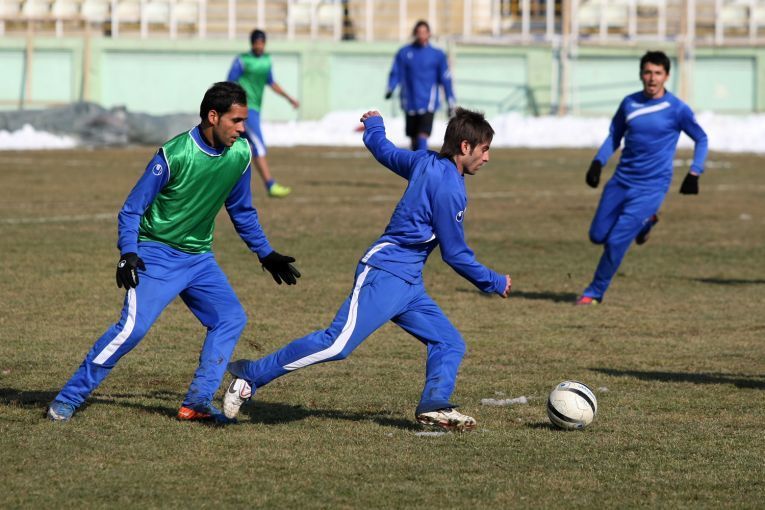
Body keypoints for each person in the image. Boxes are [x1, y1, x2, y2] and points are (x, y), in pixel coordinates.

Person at [222, 107, 511, 432]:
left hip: (409, 283)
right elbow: (455, 254)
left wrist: (374, 126)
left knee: (449, 343)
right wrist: (494, 281)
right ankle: (251, 376)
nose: (487, 157)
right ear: (465, 146)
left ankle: (435, 404)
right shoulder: (450, 189)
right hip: (385, 273)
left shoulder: (424, 161)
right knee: (336, 344)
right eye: (484, 149)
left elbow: (384, 151)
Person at [47, 82, 301, 423]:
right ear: (213, 117)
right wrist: (128, 252)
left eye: (244, 120)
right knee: (132, 330)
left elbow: (241, 211)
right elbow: (132, 209)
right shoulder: (174, 154)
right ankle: (67, 399)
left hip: (199, 259)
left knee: (230, 318)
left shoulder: (241, 154)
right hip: (156, 254)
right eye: (237, 120)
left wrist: (266, 253)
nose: (243, 128)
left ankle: (197, 402)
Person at [577, 51, 708, 305]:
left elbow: (701, 138)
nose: (652, 78)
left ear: (666, 76)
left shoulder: (677, 109)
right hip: (621, 181)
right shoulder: (629, 103)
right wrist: (598, 162)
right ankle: (647, 223)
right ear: (641, 75)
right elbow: (615, 135)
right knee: (597, 235)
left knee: (616, 241)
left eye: (658, 73)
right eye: (648, 72)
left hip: (652, 187)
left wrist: (695, 172)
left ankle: (594, 292)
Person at [227, 29, 299, 198]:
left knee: (234, 146)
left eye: (262, 42)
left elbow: (272, 82)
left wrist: (289, 98)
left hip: (255, 110)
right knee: (258, 146)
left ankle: (222, 183)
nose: (259, 46)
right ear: (252, 43)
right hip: (245, 109)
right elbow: (229, 82)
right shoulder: (242, 60)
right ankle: (270, 185)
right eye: (256, 42)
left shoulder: (267, 61)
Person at [385, 20, 456, 152]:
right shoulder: (404, 52)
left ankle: (422, 161)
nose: (422, 35)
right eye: (419, 32)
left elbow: (445, 79)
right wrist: (391, 87)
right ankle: (415, 161)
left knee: (423, 134)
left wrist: (450, 101)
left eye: (424, 32)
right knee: (413, 138)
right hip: (409, 101)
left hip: (428, 101)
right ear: (415, 33)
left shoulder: (437, 54)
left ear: (429, 34)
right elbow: (396, 72)